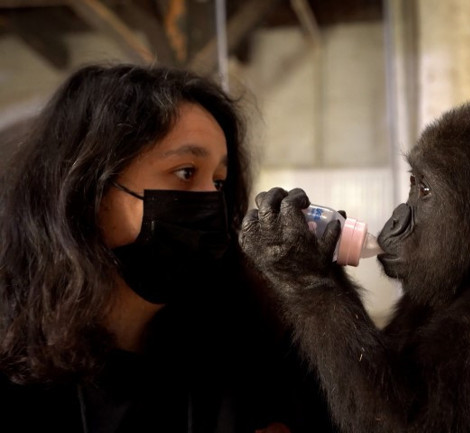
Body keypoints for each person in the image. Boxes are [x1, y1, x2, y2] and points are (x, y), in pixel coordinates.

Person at [0, 64, 334, 433]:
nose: (213, 203)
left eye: (220, 182)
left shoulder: (248, 341)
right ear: (88, 191)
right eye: (186, 172)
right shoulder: (16, 371)